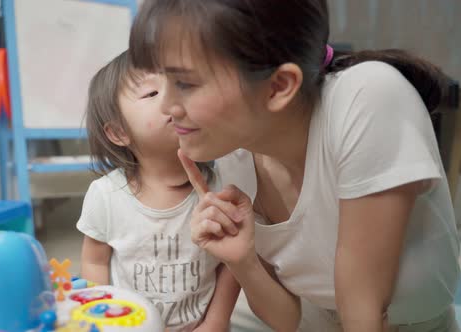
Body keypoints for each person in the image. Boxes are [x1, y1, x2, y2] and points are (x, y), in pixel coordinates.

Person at [128, 1, 461, 331]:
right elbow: (287, 320)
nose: (166, 106)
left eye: (184, 83)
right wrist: (242, 261)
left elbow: (364, 309)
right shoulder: (237, 154)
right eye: (160, 82)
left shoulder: (368, 97)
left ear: (279, 86)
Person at [77, 50, 240, 332]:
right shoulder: (105, 196)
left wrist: (216, 321)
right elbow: (94, 262)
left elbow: (231, 263)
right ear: (118, 133)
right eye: (152, 93)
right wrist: (101, 320)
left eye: (180, 86)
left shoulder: (219, 186)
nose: (172, 98)